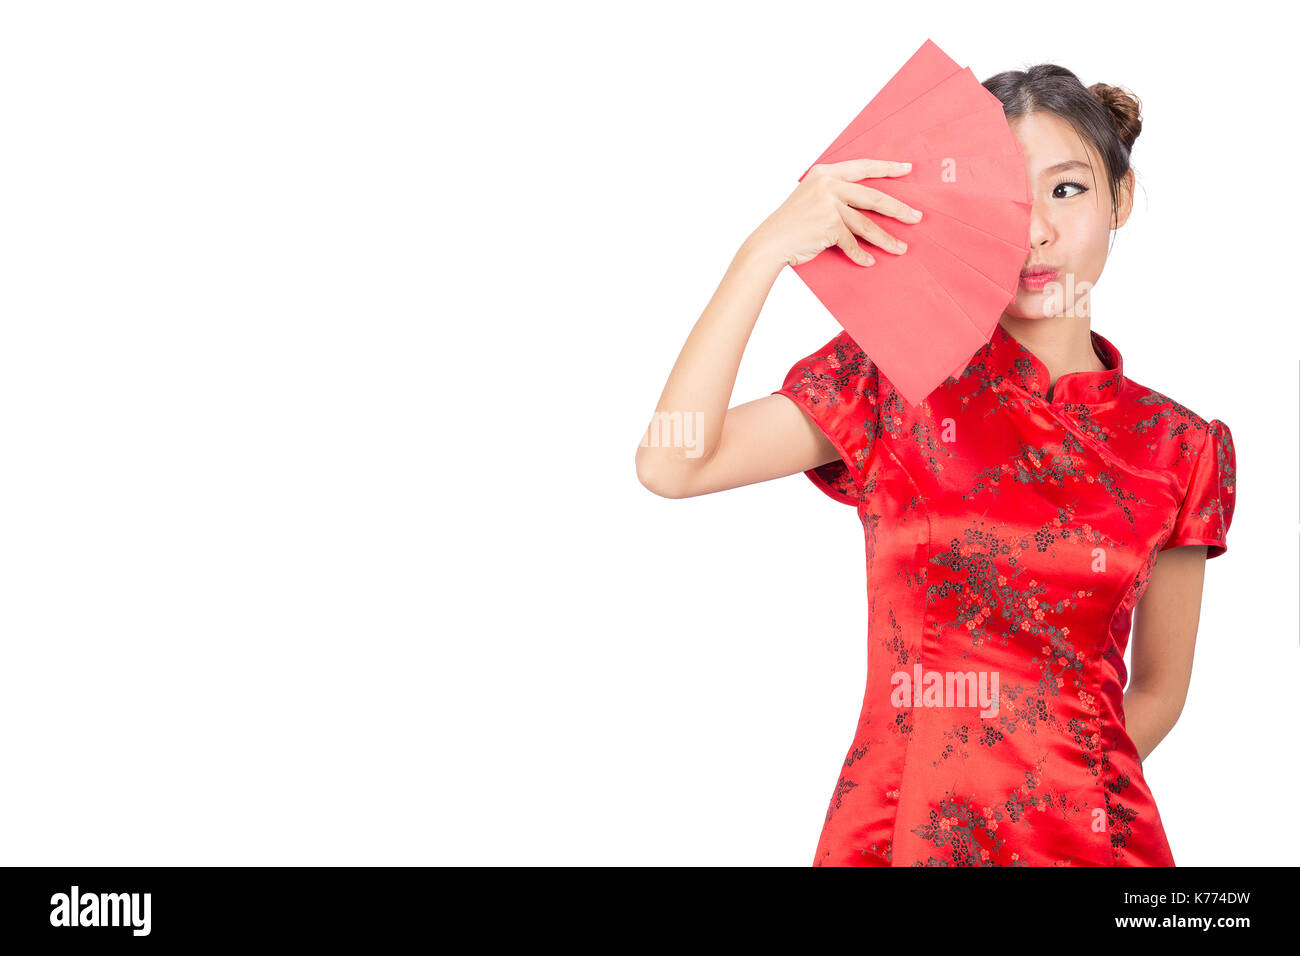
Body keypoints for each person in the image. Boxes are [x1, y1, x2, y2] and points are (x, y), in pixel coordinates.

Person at [634, 64, 1236, 866]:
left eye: (1066, 192)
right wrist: (765, 251)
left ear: (1119, 200)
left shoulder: (1181, 445)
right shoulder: (895, 378)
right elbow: (675, 462)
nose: (1036, 235)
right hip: (902, 832)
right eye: (1007, 204)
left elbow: (1159, 689)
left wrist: (1051, 792)